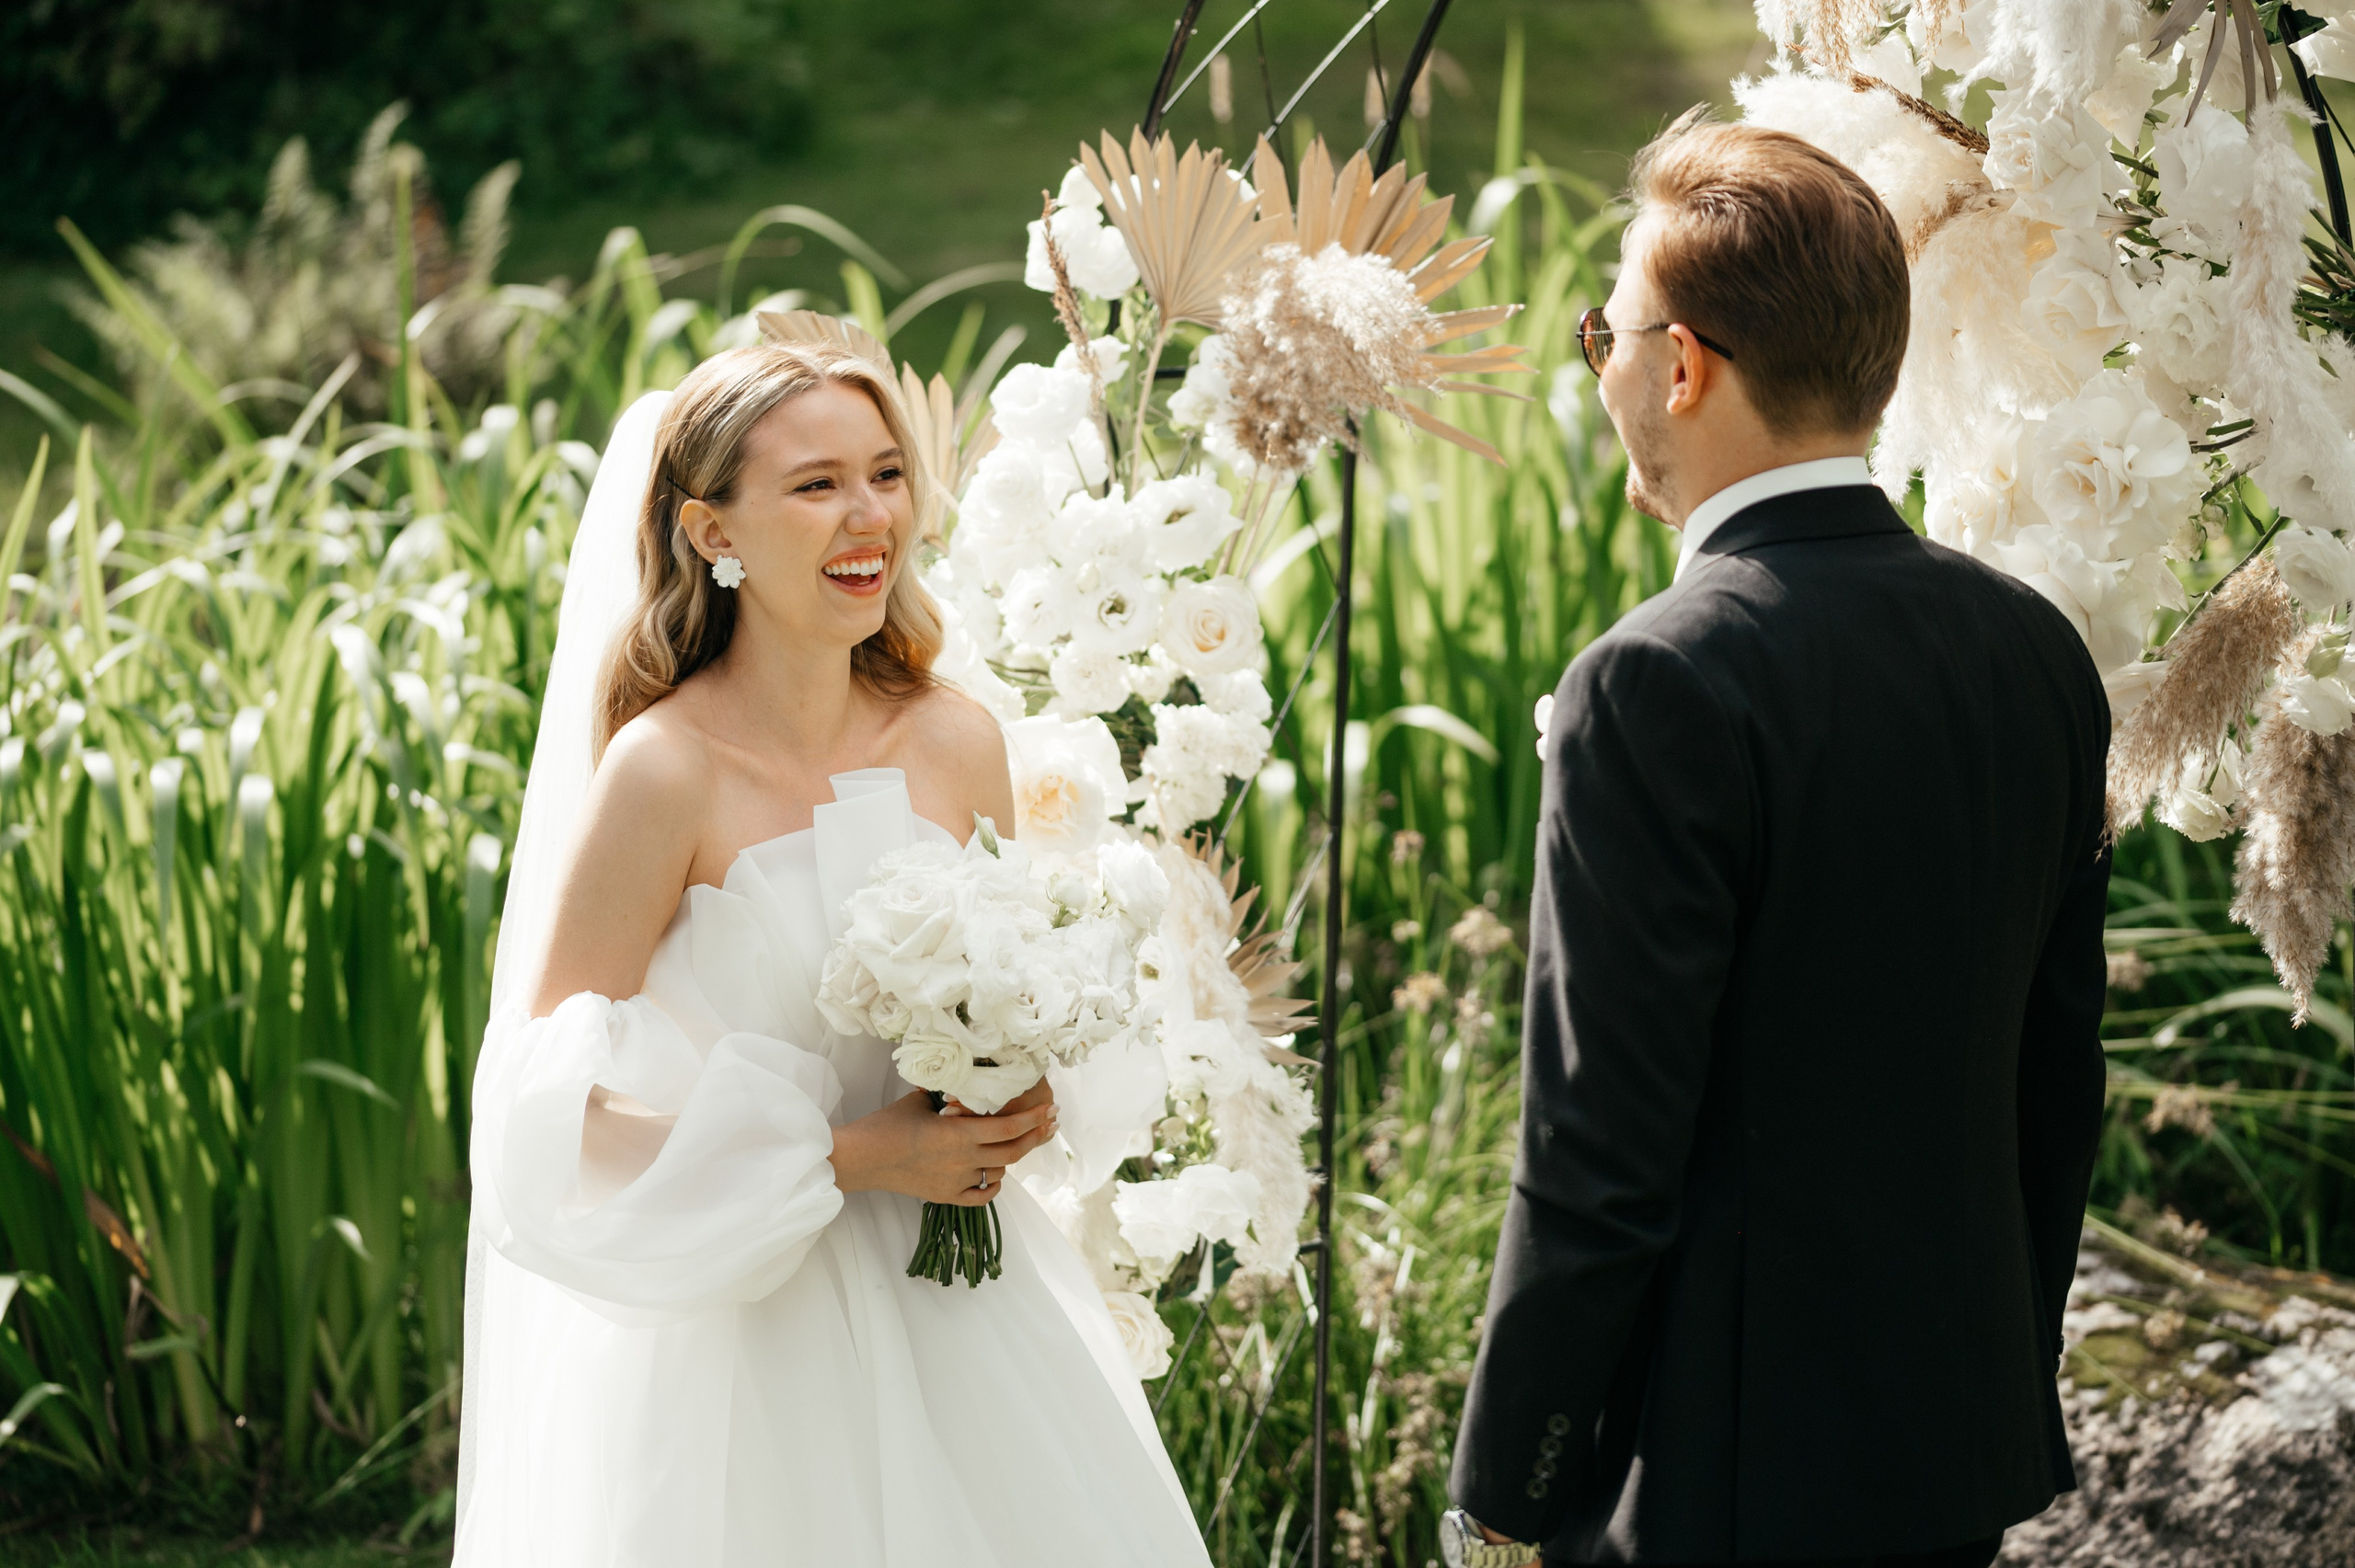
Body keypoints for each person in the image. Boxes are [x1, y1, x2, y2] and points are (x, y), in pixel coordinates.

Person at [1440, 115, 2111, 1568]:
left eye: (1599, 332)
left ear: (1679, 365)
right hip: (1950, 1459)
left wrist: (1500, 1502)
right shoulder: (2035, 653)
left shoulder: (1656, 680)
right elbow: (2059, 1086)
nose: (1601, 365)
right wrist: (1987, 1386)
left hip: (1709, 1487)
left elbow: (1596, 1154)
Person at [454, 342, 1212, 1567]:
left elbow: (1008, 983)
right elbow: (543, 1103)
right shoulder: (664, 772)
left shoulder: (958, 737)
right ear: (712, 530)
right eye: (816, 486)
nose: (872, 519)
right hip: (743, 1332)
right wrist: (848, 1153)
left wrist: (1014, 1082)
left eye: (886, 474)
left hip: (965, 1301)